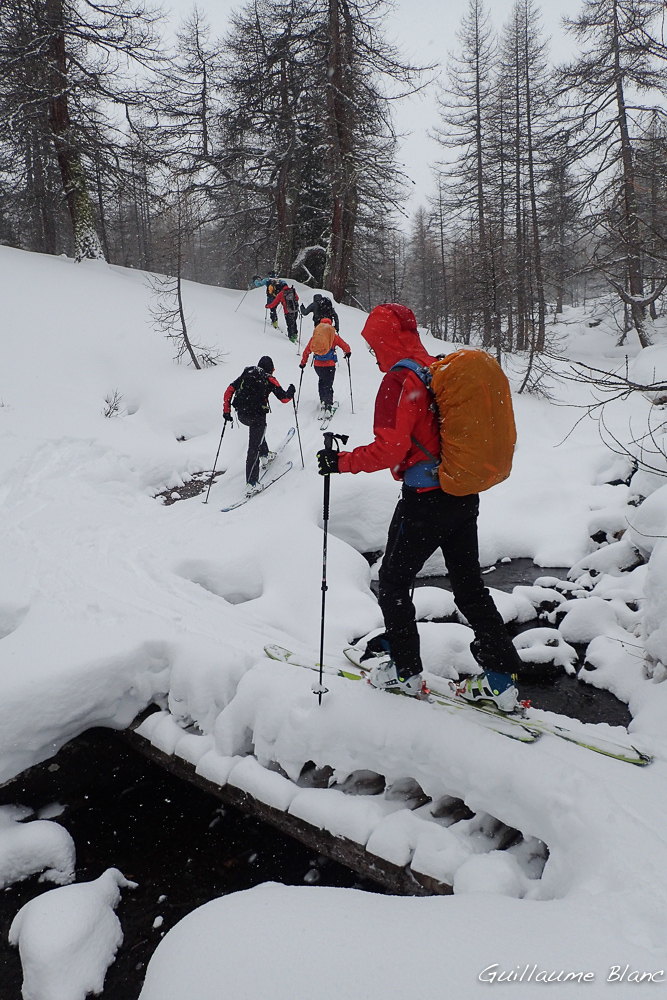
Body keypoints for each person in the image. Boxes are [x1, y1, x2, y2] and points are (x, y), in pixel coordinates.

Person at [316, 302, 523, 712]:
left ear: (385, 341)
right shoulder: (434, 367)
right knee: (468, 586)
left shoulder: (400, 380)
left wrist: (341, 462)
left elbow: (390, 448)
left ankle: (405, 672)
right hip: (461, 493)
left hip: (426, 501)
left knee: (393, 581)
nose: (373, 354)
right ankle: (501, 678)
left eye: (374, 346)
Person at [224, 356, 295, 496]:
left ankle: (265, 455)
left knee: (258, 434)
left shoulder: (247, 373)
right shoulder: (268, 378)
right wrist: (291, 391)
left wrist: (226, 411)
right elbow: (284, 398)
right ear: (271, 369)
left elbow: (229, 390)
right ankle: (252, 483)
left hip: (242, 415)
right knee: (253, 447)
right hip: (257, 416)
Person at [299, 318, 351, 415]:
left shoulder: (316, 337)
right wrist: (348, 353)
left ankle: (322, 400)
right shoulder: (333, 336)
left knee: (322, 380)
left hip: (318, 365)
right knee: (328, 384)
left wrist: (303, 363)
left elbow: (307, 351)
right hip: (329, 365)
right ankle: (328, 405)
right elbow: (345, 346)